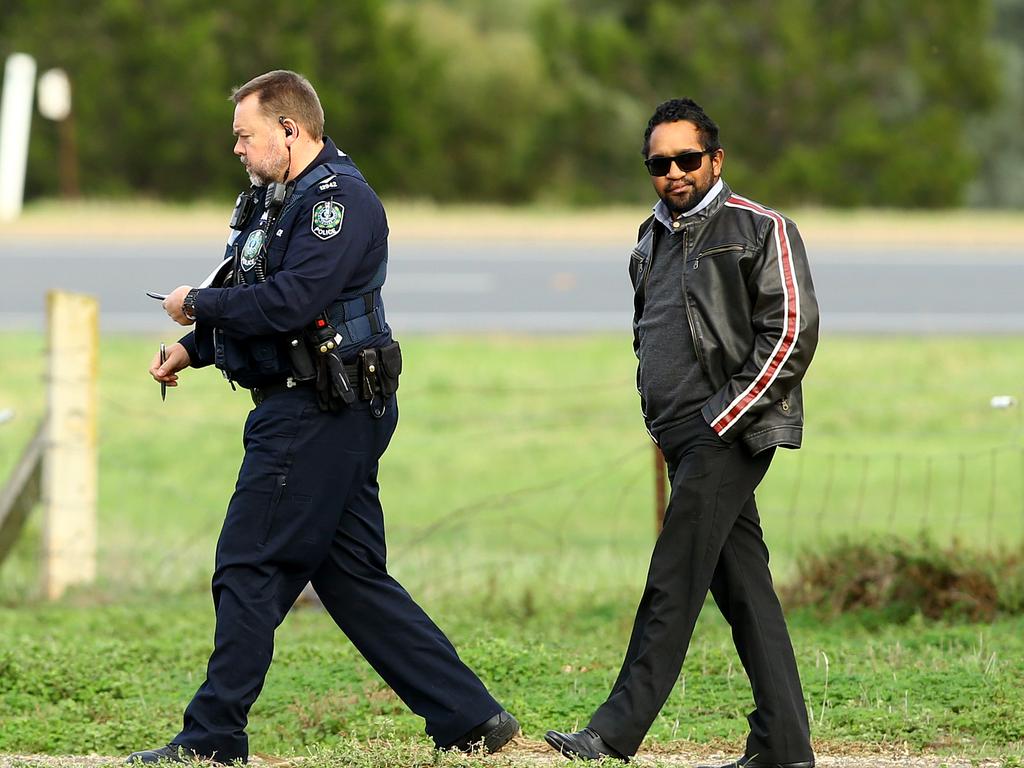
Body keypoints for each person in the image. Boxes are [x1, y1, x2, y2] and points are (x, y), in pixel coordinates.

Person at [130, 70, 518, 765]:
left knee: (249, 564)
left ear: (289, 128)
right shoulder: (271, 200)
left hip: (318, 408)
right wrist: (192, 348)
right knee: (353, 578)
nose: (238, 151)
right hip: (315, 405)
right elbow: (250, 292)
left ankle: (213, 737)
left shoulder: (340, 203)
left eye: (245, 136)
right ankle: (472, 717)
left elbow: (290, 301)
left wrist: (195, 305)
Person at [544, 98, 819, 767]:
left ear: (715, 159)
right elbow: (654, 336)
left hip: (726, 432)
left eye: (688, 159)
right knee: (744, 589)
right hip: (679, 438)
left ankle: (613, 732)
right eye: (660, 163)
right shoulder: (650, 236)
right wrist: (664, 422)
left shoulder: (760, 228)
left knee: (672, 579)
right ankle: (785, 746)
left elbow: (791, 333)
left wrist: (721, 416)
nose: (675, 173)